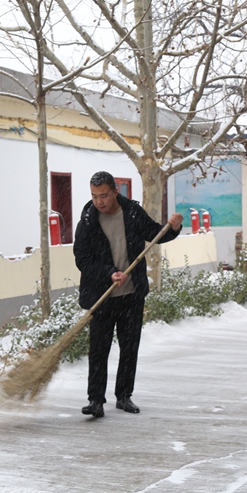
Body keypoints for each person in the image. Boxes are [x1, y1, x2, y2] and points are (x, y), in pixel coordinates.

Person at [73, 171, 183, 418]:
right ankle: (95, 400)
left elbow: (155, 233)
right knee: (98, 350)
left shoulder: (132, 212)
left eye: (103, 195)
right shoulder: (88, 221)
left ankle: (124, 396)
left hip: (131, 294)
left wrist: (173, 228)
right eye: (94, 196)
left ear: (115, 191)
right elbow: (83, 260)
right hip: (102, 296)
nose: (98, 201)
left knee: (129, 347)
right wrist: (109, 273)